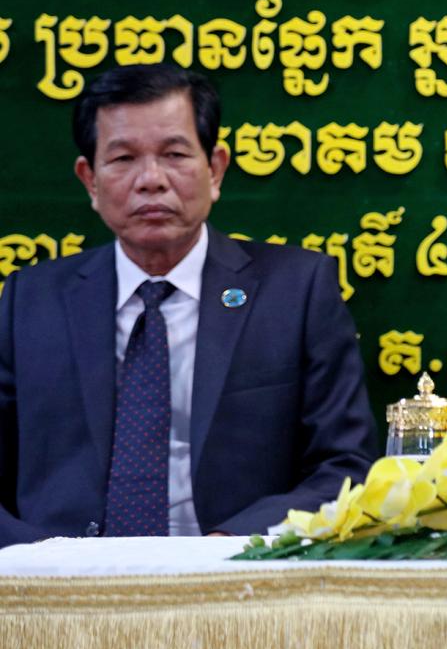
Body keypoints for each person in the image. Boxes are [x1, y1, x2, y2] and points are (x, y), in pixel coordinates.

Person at [0, 65, 375, 546]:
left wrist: (232, 544)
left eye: (174, 154)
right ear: (89, 179)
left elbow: (345, 466)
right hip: (62, 580)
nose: (151, 180)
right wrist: (44, 557)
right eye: (123, 158)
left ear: (215, 169)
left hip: (233, 572)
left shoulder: (296, 291)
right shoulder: (31, 301)